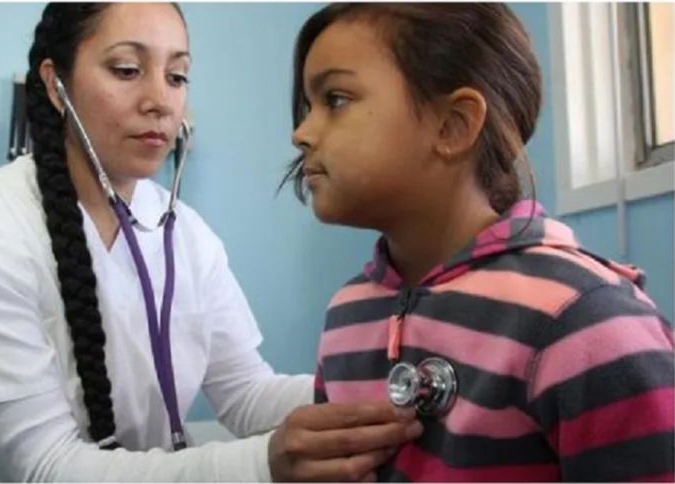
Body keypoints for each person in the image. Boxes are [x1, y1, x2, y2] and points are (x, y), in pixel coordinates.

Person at [0, 3, 423, 482]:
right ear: (54, 83)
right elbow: (48, 469)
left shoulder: (183, 233)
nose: (161, 101)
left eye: (178, 76)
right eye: (126, 70)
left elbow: (246, 394)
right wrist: (264, 466)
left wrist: (382, 387)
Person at [286, 3, 675, 481]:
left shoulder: (583, 322)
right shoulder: (348, 314)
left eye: (336, 99)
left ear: (453, 125)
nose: (301, 133)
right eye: (308, 106)